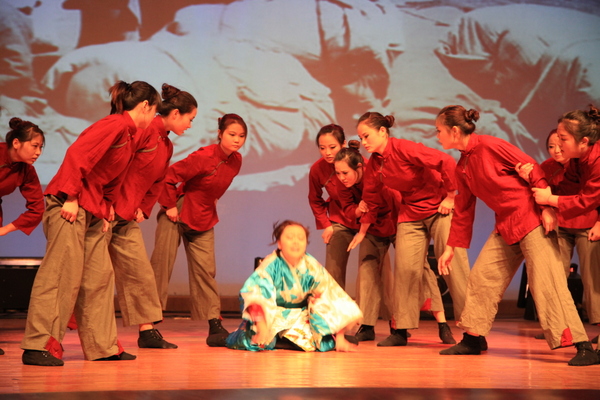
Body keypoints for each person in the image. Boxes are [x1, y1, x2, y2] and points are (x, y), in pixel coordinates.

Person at [435, 105, 597, 366]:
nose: (437, 136)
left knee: (548, 283)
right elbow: (463, 209)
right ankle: (473, 338)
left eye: (439, 131)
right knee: (483, 277)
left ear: (454, 131)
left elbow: (532, 168)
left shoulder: (491, 145)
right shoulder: (462, 165)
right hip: (506, 224)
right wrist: (450, 247)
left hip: (531, 217)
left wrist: (546, 207)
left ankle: (583, 346)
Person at [20, 80, 160, 366]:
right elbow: (77, 154)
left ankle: (102, 346)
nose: (154, 117)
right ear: (145, 106)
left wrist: (106, 209)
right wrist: (71, 196)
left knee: (99, 277)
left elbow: (111, 177)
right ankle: (37, 345)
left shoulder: (130, 134)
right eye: (155, 111)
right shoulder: (114, 124)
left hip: (93, 209)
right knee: (61, 274)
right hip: (69, 204)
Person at [355, 112, 470, 347]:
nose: (364, 142)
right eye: (361, 138)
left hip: (439, 207)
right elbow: (371, 198)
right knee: (406, 269)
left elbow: (446, 162)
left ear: (382, 132)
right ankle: (400, 330)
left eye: (366, 136)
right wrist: (363, 230)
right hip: (410, 213)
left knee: (454, 265)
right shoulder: (375, 164)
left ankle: (474, 331)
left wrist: (450, 196)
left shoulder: (404, 148)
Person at [106, 83, 198, 349]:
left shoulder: (166, 144)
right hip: (106, 211)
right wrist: (107, 202)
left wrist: (144, 207)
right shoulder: (144, 131)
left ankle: (147, 331)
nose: (190, 125)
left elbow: (158, 181)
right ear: (176, 113)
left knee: (141, 273)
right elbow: (117, 164)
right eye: (190, 119)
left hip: (126, 215)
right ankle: (54, 334)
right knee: (91, 276)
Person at [150, 113, 246, 347]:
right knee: (161, 266)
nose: (237, 140)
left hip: (203, 216)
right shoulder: (204, 156)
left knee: (206, 270)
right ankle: (148, 326)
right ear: (220, 134)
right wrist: (170, 206)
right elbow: (169, 177)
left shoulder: (236, 160)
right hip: (178, 211)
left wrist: (212, 200)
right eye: (232, 134)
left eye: (242, 136)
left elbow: (217, 185)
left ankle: (214, 324)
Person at [225, 220, 363, 352]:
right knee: (255, 339)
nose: (296, 242)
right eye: (290, 238)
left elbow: (330, 294)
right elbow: (255, 293)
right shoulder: (270, 265)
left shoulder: (311, 266)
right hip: (271, 316)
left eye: (301, 238)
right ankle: (277, 339)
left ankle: (285, 341)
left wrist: (339, 337)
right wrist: (261, 326)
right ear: (279, 243)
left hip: (300, 316)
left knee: (322, 307)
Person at [527, 106, 600, 343]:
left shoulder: (597, 161)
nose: (558, 144)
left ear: (584, 141)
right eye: (556, 138)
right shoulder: (577, 160)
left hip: (587, 221)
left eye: (563, 138)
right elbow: (567, 187)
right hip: (564, 222)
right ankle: (561, 326)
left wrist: (550, 200)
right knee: (554, 273)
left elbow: (587, 200)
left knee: (594, 281)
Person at [0, 117, 45, 356]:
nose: (38, 152)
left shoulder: (26, 170)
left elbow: (37, 208)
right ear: (16, 143)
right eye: (34, 146)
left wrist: (5, 229)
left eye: (41, 148)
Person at [308, 124, 359, 288]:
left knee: (372, 270)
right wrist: (326, 224)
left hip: (368, 220)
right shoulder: (317, 169)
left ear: (343, 144)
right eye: (322, 148)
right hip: (341, 218)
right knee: (332, 272)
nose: (327, 153)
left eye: (332, 147)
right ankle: (334, 305)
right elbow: (315, 199)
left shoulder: (359, 163)